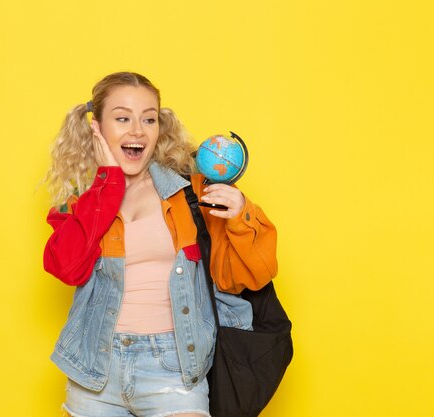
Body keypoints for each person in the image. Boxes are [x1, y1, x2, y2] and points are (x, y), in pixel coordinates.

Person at [42, 72, 277, 417]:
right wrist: (107, 186)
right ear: (97, 128)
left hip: (174, 367)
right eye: (122, 118)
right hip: (96, 370)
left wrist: (241, 216)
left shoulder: (191, 193)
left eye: (148, 119)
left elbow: (249, 277)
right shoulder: (80, 202)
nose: (137, 130)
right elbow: (66, 267)